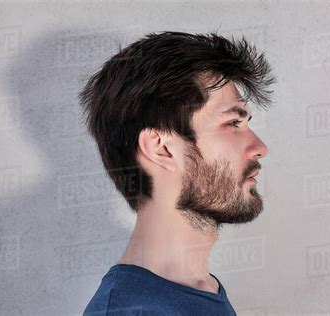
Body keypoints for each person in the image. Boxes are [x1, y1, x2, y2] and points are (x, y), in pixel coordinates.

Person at [79, 30, 276, 315]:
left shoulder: (200, 289)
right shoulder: (131, 311)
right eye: (233, 122)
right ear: (162, 148)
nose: (260, 147)